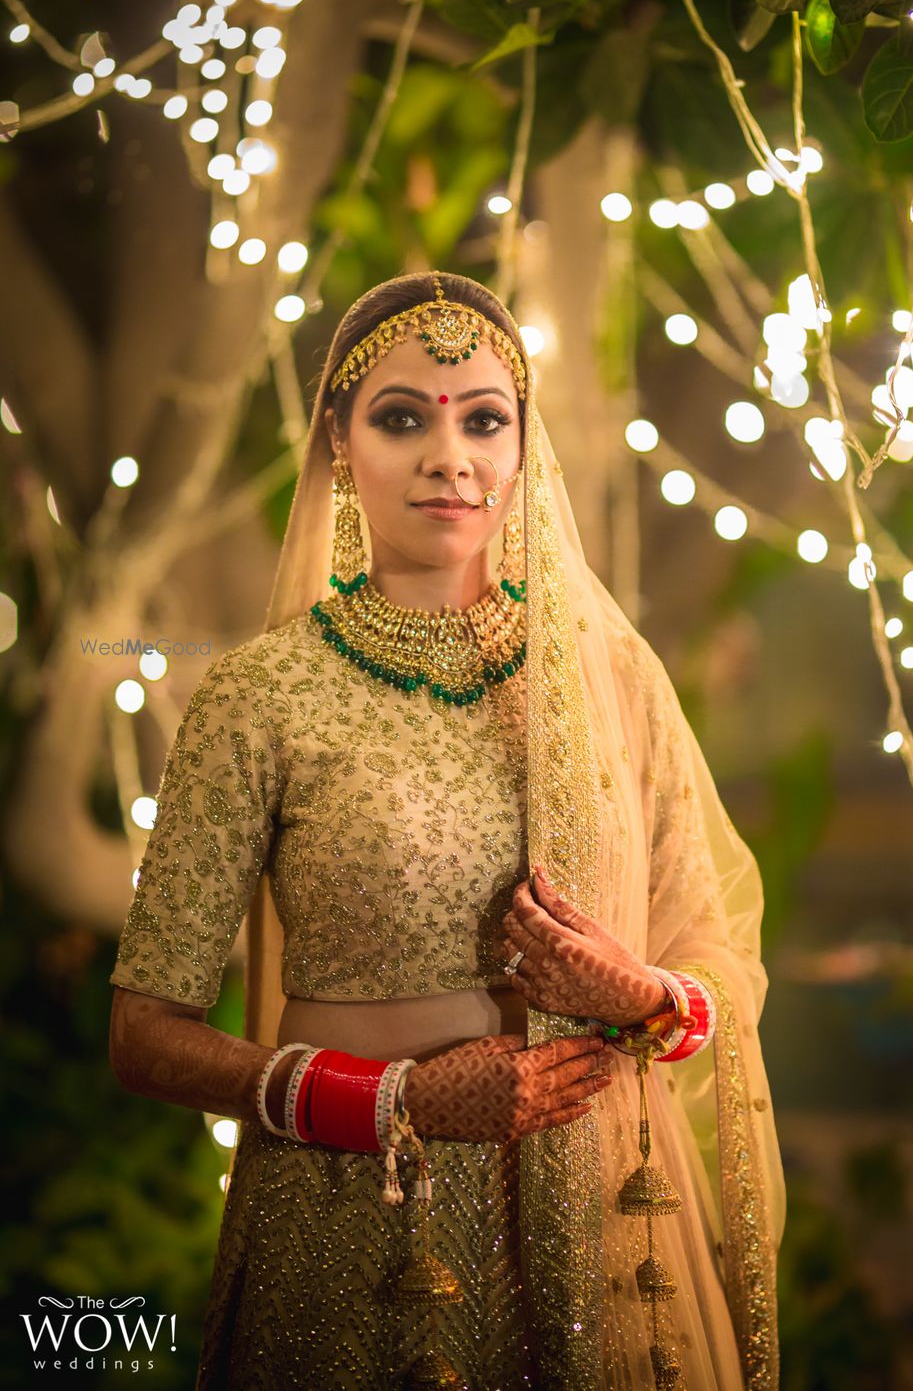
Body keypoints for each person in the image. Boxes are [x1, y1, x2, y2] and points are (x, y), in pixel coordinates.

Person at [108, 270, 785, 1390]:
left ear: (524, 451)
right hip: (354, 1213)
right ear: (339, 441)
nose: (450, 457)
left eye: (483, 419)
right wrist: (394, 1101)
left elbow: (718, 956)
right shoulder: (258, 695)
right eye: (402, 417)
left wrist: (646, 997)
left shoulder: (610, 679)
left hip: (608, 1220)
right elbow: (146, 1036)